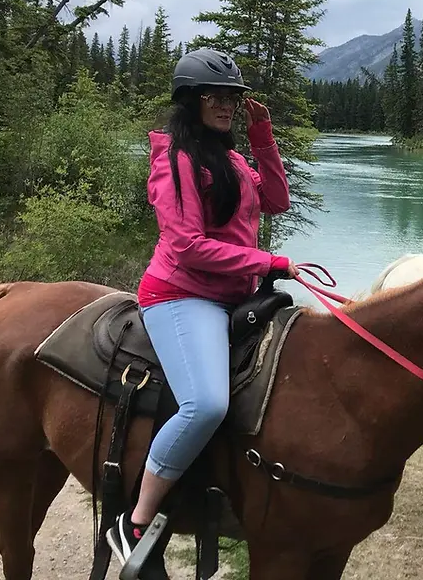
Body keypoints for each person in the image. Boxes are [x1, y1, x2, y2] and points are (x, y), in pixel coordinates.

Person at [107, 48, 295, 569]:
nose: (226, 104)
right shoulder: (177, 160)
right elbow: (187, 245)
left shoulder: (231, 158)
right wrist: (270, 260)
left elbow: (276, 200)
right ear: (189, 101)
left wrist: (263, 138)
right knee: (206, 403)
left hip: (236, 293)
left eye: (233, 96)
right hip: (183, 294)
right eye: (214, 95)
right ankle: (136, 518)